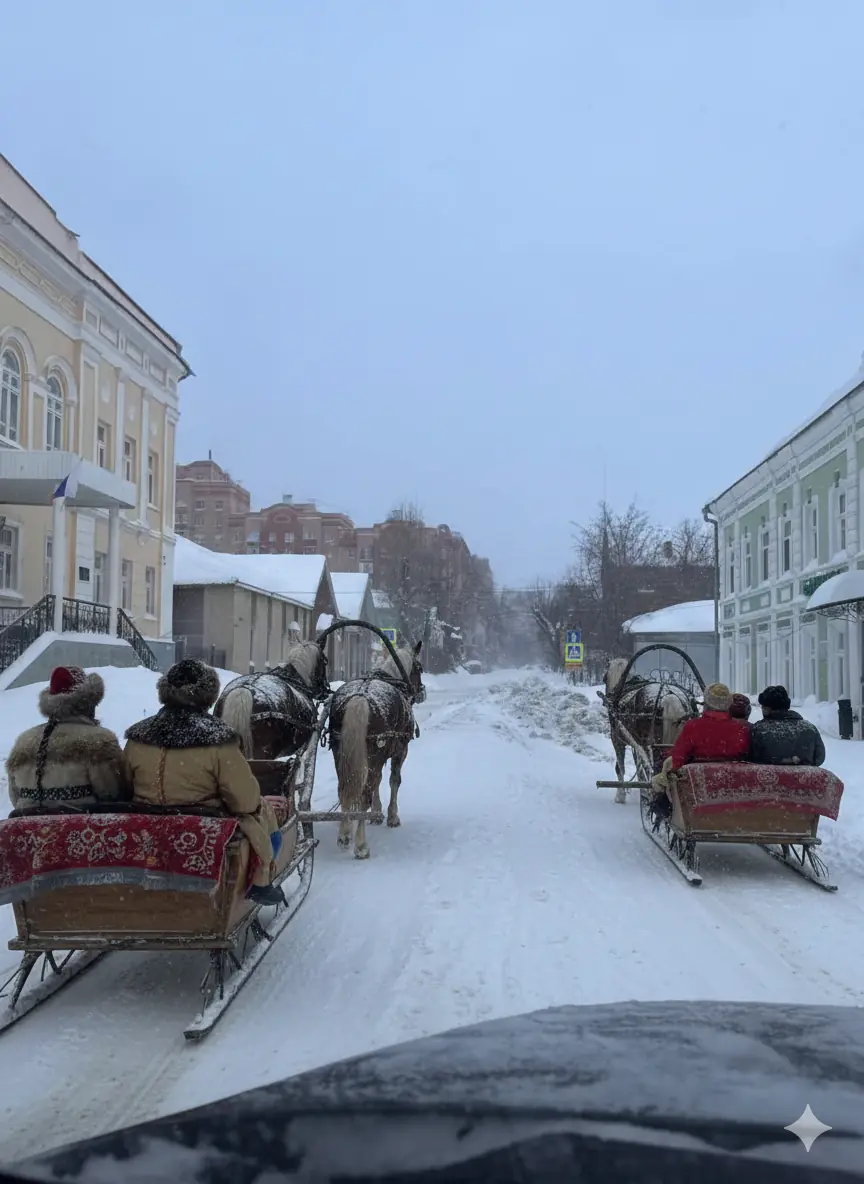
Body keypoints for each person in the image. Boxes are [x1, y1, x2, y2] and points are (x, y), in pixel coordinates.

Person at [123, 658, 285, 905]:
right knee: (262, 812)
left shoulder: (138, 737)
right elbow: (244, 800)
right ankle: (261, 881)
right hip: (204, 821)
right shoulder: (218, 739)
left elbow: (124, 786)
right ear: (207, 694)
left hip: (146, 822)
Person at [5, 666, 129, 813]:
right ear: (89, 702)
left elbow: (15, 797)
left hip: (28, 825)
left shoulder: (24, 741)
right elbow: (113, 795)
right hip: (82, 825)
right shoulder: (99, 740)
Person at [749, 685, 825, 767]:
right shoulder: (809, 728)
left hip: (767, 775)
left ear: (767, 709)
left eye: (763, 707)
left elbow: (749, 758)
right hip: (802, 775)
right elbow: (819, 757)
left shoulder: (758, 730)